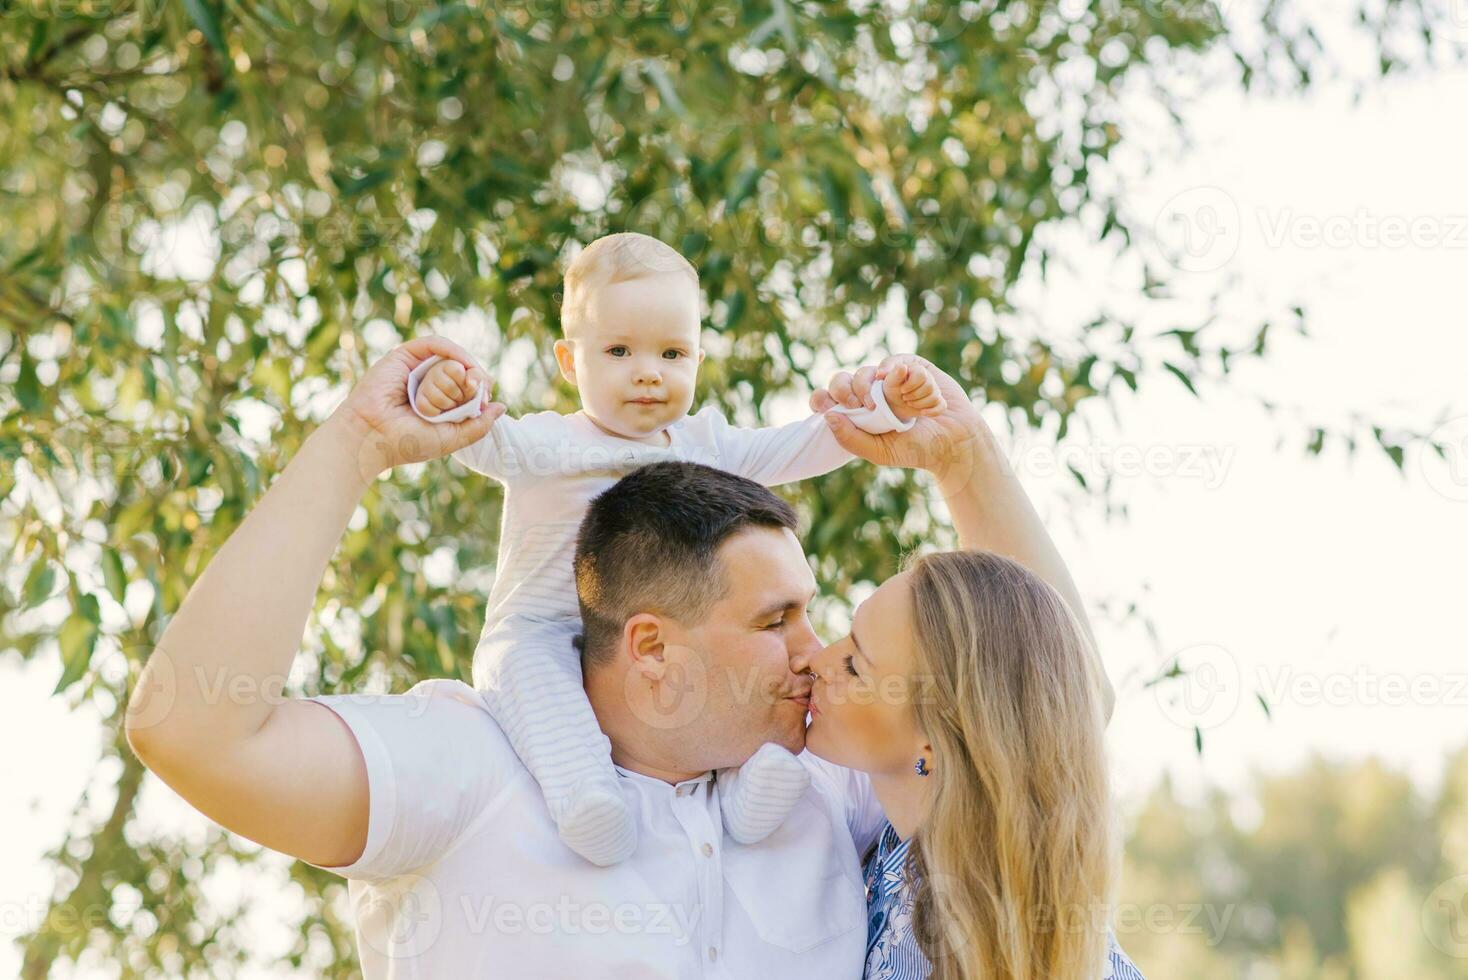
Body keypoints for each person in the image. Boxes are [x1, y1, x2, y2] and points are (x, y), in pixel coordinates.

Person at [124, 337, 1116, 977]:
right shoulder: (469, 764)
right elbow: (190, 729)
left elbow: (1046, 704)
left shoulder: (836, 787)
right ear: (652, 647)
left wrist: (964, 457)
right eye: (778, 620)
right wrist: (352, 445)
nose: (812, 653)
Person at [402, 231, 944, 864]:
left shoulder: (705, 443)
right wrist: (439, 391)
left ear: (697, 358)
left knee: (740, 685)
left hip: (666, 644)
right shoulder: (546, 445)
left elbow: (801, 446)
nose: (648, 373)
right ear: (570, 362)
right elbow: (474, 437)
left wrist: (882, 409)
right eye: (619, 350)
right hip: (542, 628)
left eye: (672, 352)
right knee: (537, 692)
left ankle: (755, 787)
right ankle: (585, 798)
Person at [799, 371, 1140, 979]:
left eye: (854, 662)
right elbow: (1064, 687)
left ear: (933, 740)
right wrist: (962, 460)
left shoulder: (948, 946)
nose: (817, 660)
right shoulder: (921, 851)